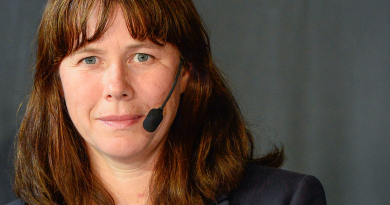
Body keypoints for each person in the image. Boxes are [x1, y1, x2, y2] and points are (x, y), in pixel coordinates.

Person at [8, 0, 326, 204]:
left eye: (142, 56)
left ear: (186, 71)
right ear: (57, 81)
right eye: (90, 59)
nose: (116, 87)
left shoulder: (286, 199)